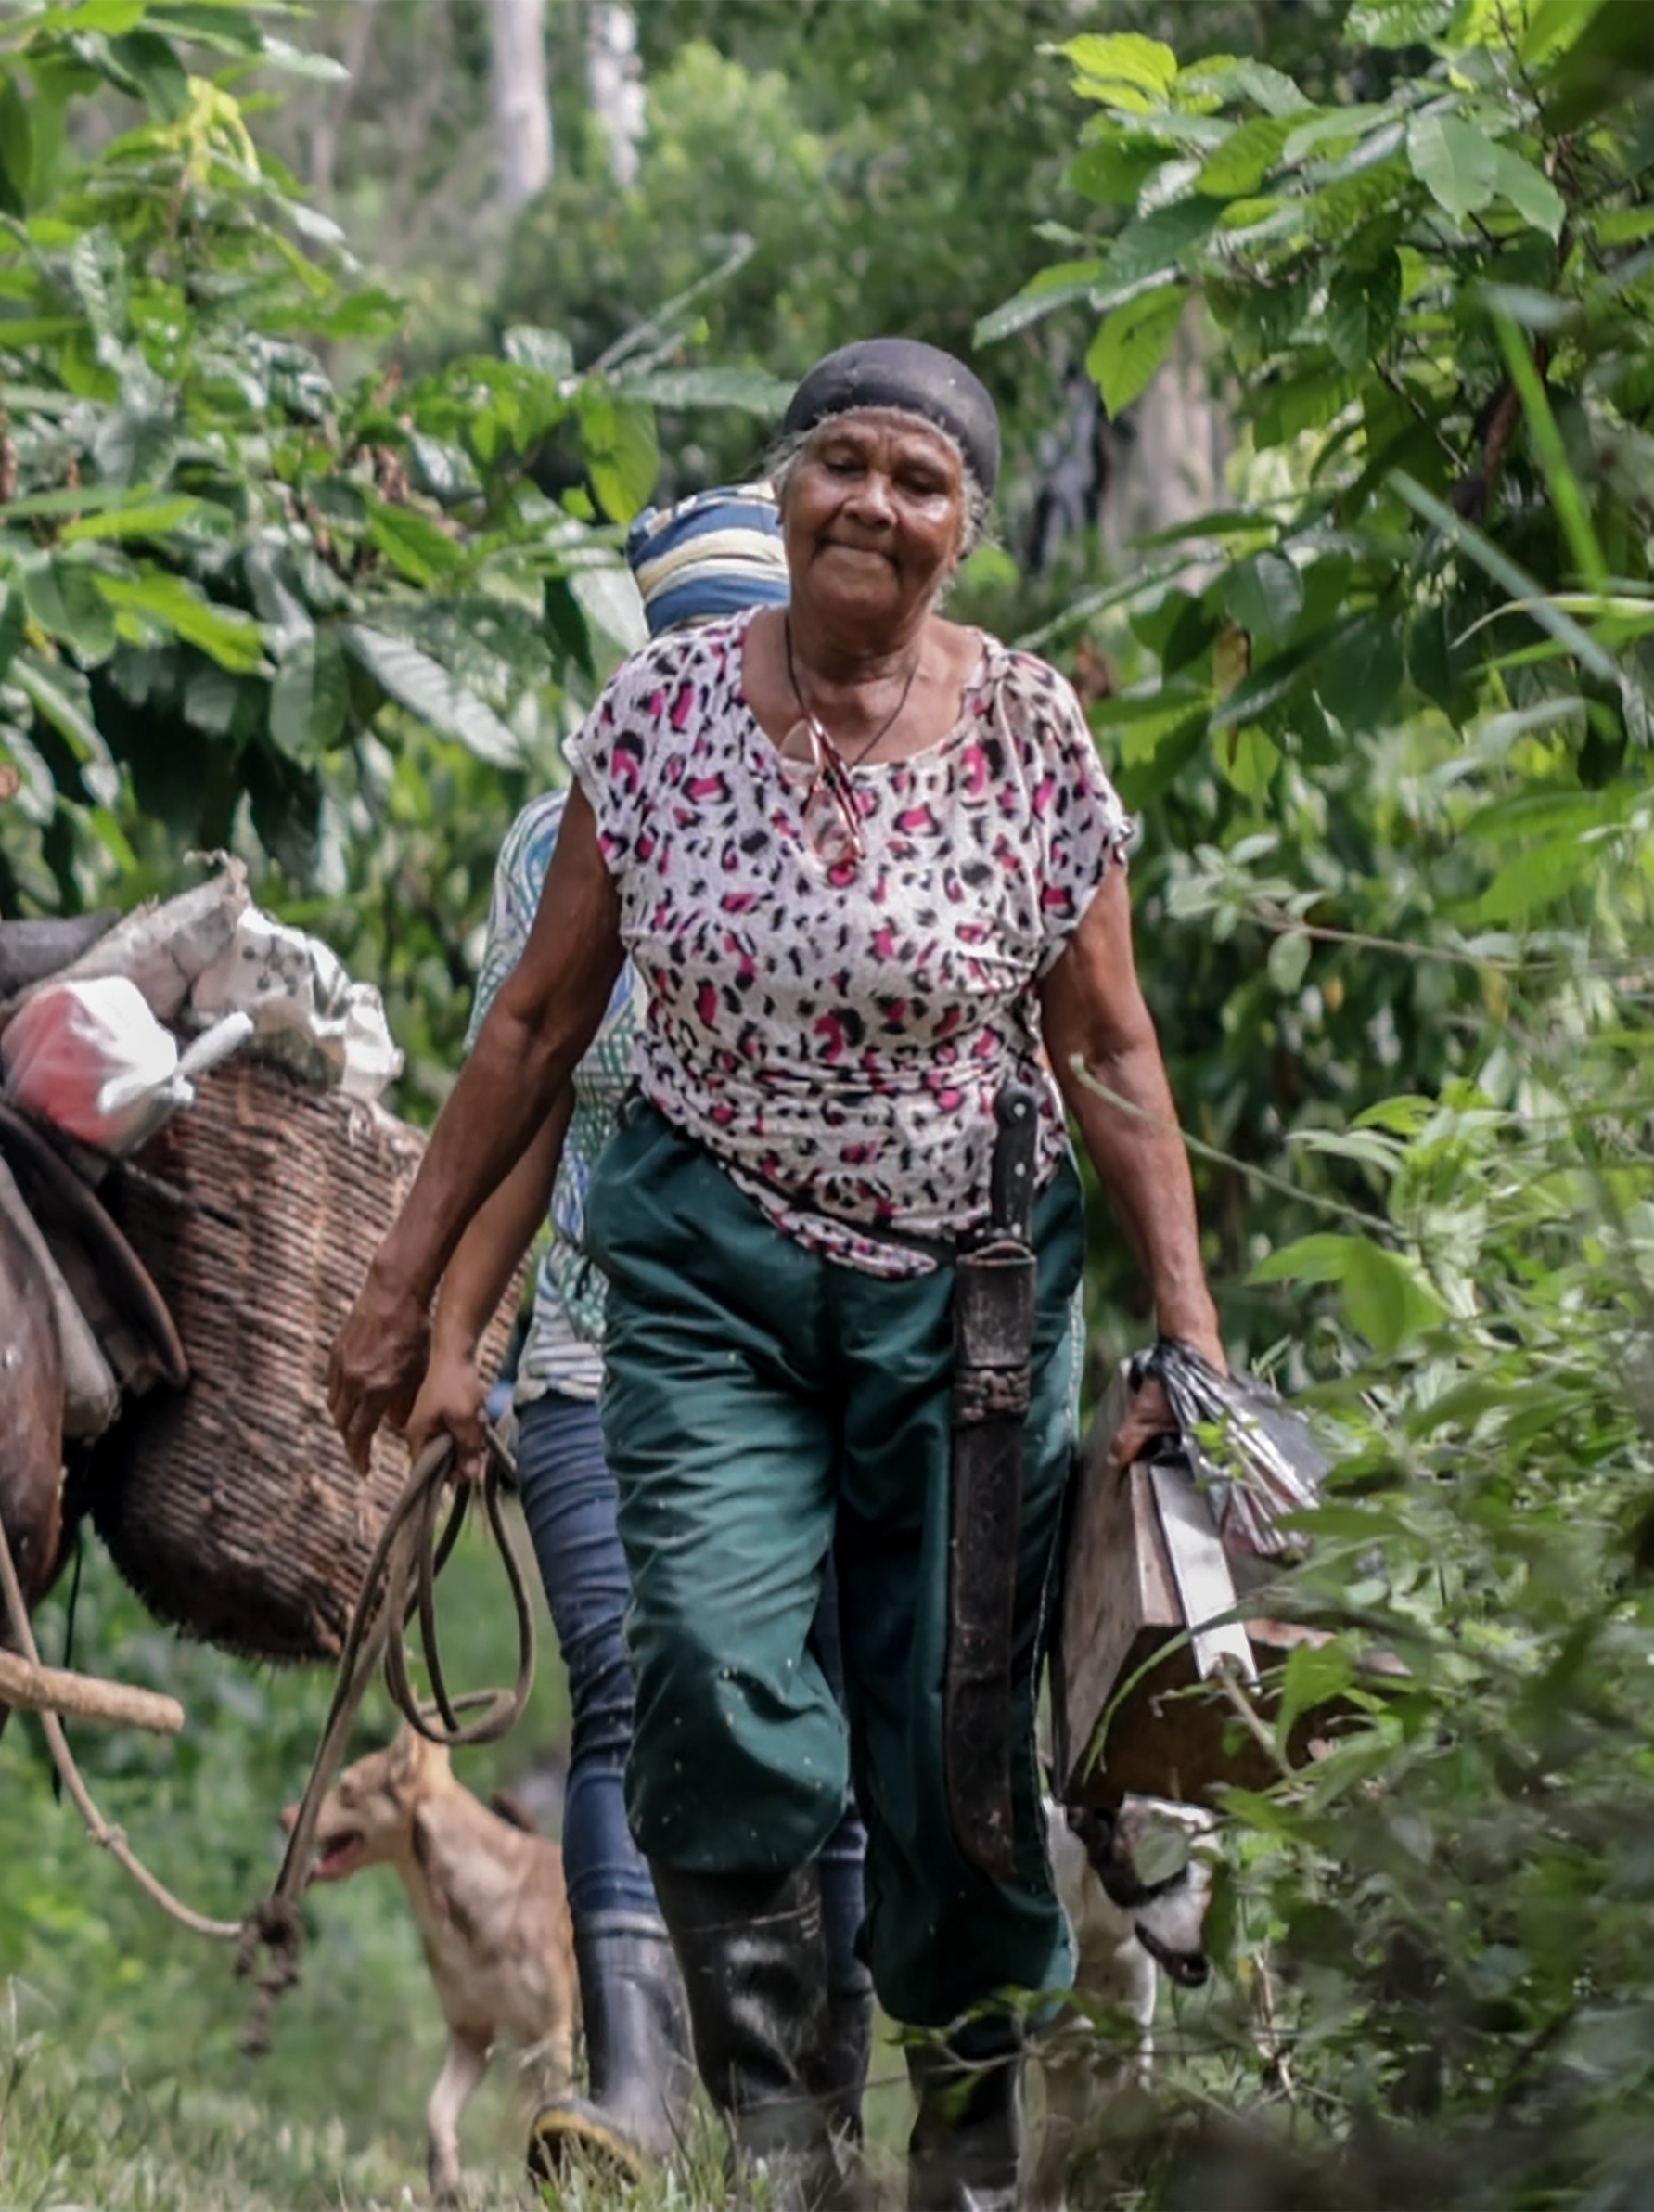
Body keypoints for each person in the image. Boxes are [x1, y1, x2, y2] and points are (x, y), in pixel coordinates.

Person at [333, 339, 1224, 2211]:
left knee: (952, 1730)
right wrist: (403, 1288)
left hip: (972, 1304)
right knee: (718, 1679)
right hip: (711, 1273)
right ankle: (787, 2134)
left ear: (961, 529)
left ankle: (965, 2144)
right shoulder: (653, 722)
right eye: (842, 465)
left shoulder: (1031, 735)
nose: (872, 508)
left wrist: (1188, 1348)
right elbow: (536, 1022)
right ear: (783, 483)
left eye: (918, 482)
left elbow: (1112, 1057)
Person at [416, 484, 877, 2188]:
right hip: (601, 1349)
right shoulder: (560, 844)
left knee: (807, 1711)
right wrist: (456, 1337)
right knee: (629, 1694)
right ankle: (630, 2084)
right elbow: (507, 1091)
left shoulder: (874, 838)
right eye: (684, 664)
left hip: (824, 1361)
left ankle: (808, 2110)